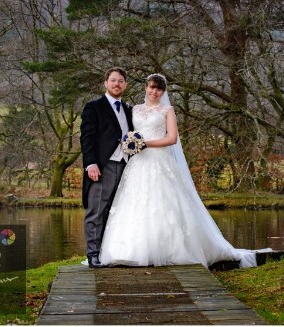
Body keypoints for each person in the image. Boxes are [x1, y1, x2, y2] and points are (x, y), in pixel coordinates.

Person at [99, 73, 268, 269]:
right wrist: (130, 144)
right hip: (137, 163)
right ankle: (129, 251)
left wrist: (145, 143)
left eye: (159, 88)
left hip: (160, 161)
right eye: (152, 87)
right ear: (145, 87)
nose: (154, 91)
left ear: (163, 92)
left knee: (165, 204)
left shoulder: (167, 110)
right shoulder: (134, 109)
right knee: (135, 204)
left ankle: (170, 250)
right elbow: (125, 131)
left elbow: (171, 139)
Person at [80, 67, 134, 268]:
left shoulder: (129, 110)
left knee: (116, 211)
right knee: (97, 211)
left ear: (125, 85)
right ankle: (93, 254)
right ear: (106, 83)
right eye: (113, 80)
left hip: (127, 167)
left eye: (120, 81)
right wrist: (90, 164)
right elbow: (87, 138)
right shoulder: (93, 107)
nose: (116, 84)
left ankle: (108, 252)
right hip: (102, 166)